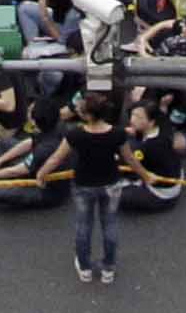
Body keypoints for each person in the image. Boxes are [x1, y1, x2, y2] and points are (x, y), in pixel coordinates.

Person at [69, 91, 125, 285]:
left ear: (89, 115)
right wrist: (145, 175)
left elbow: (57, 158)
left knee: (84, 226)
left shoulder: (76, 134)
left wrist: (41, 174)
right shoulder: (118, 133)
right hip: (111, 184)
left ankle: (85, 267)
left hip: (84, 184)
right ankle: (108, 268)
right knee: (109, 224)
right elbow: (131, 159)